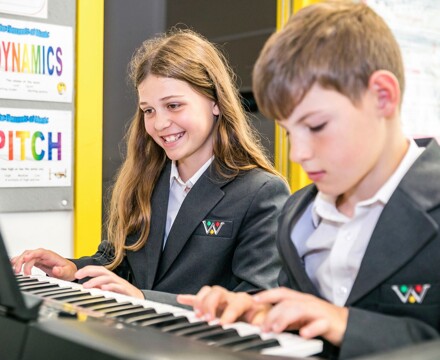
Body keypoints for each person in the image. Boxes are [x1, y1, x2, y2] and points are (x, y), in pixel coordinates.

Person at [177, 1, 440, 358]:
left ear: (382, 96)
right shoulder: (297, 217)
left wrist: (346, 324)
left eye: (316, 126)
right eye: (288, 132)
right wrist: (263, 314)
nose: (299, 153)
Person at [11, 29, 290, 304]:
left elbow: (258, 302)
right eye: (149, 110)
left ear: (215, 103)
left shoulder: (261, 192)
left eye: (174, 105)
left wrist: (145, 299)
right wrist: (72, 270)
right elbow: (119, 263)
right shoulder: (145, 180)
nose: (159, 124)